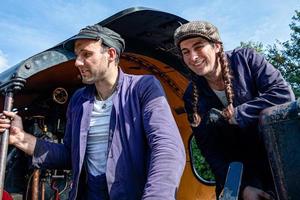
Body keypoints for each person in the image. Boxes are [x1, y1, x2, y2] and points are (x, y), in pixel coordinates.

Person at [0, 24, 186, 200]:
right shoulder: (79, 100)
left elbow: (167, 147)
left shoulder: (143, 88)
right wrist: (20, 138)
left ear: (111, 54)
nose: (78, 62)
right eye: (77, 55)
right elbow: (68, 154)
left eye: (86, 54)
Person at [173, 21, 295, 200]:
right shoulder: (191, 95)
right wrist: (244, 188)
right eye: (186, 52)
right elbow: (210, 152)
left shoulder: (246, 59)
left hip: (279, 161)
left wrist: (239, 114)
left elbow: (283, 95)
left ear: (216, 46)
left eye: (198, 47)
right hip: (237, 177)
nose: (193, 57)